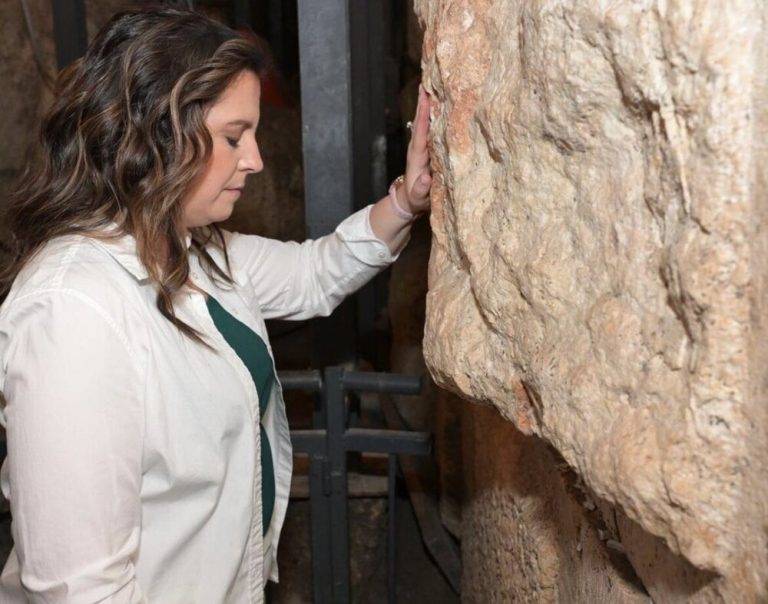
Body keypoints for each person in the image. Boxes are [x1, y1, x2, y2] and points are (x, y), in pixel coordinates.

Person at [0, 6, 432, 603]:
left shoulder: (190, 246)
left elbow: (314, 273)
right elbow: (80, 589)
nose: (254, 159)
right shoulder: (72, 310)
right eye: (234, 137)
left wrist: (407, 201)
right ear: (158, 131)